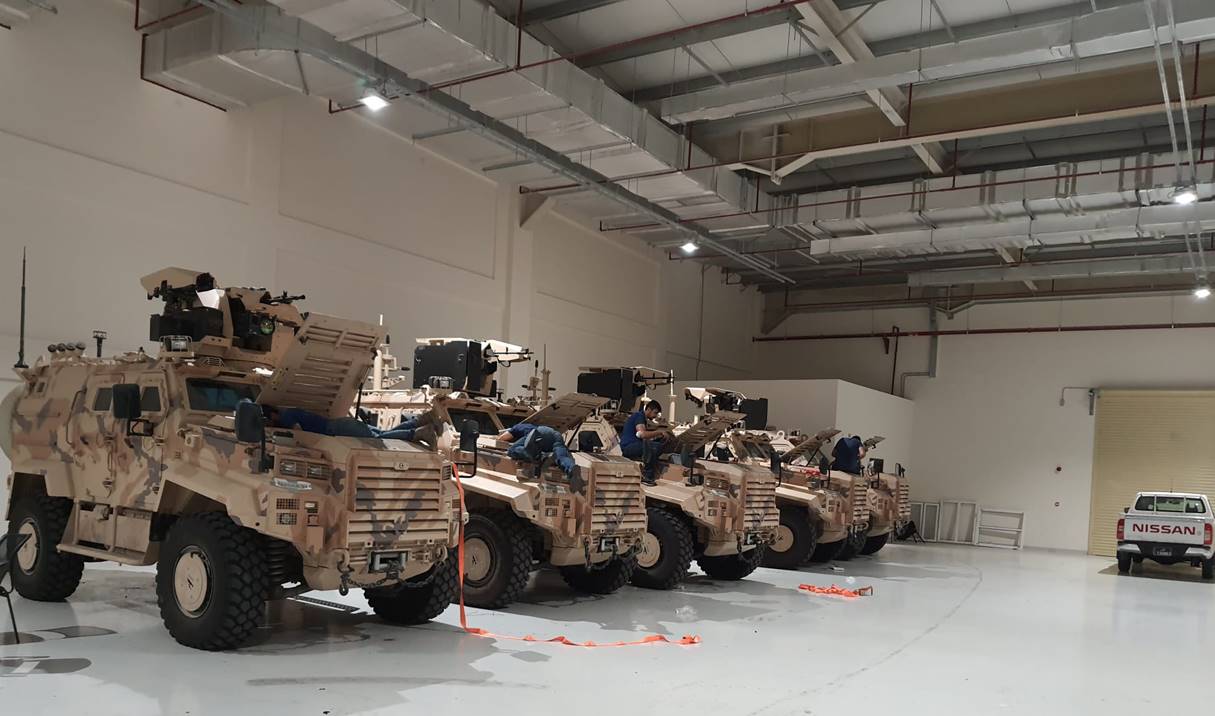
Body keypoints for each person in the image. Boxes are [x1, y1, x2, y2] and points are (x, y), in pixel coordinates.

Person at [619, 400, 673, 485]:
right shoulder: (639, 416)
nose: (655, 416)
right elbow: (642, 434)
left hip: (633, 445)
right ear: (649, 409)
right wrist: (659, 432)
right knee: (654, 447)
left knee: (656, 444)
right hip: (629, 447)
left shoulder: (641, 417)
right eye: (655, 413)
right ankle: (647, 475)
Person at [496, 422, 576, 477]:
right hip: (555, 435)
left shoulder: (516, 428)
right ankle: (571, 469)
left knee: (512, 450)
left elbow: (501, 439)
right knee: (561, 456)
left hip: (538, 433)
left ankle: (541, 456)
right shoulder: (529, 425)